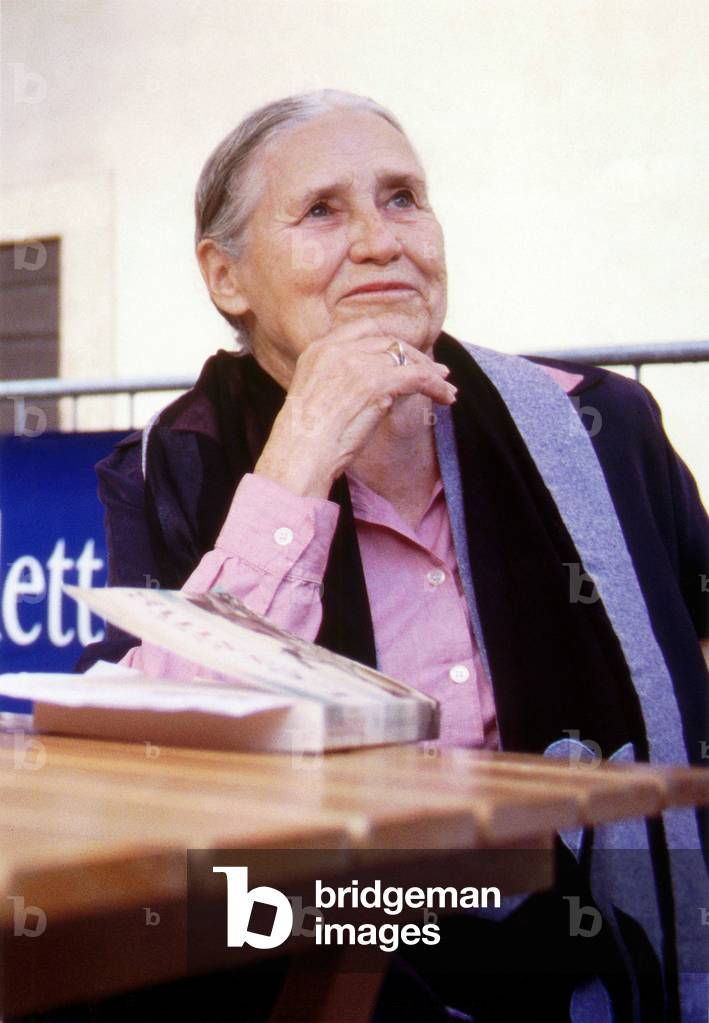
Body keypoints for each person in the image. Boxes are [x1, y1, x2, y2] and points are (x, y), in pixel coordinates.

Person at [76, 90, 709, 1022]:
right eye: (323, 210)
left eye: (403, 197)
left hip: (601, 929)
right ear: (227, 277)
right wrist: (298, 458)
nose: (381, 240)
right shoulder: (176, 466)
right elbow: (166, 754)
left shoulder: (597, 425)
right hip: (332, 928)